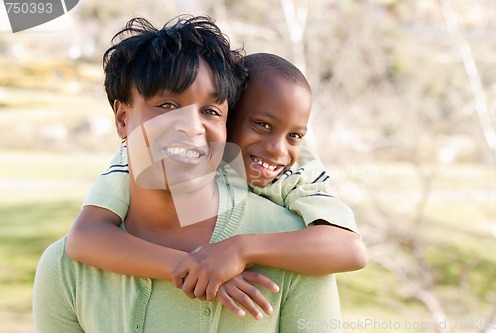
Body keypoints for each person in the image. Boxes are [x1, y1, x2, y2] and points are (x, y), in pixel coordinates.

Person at [33, 15, 365, 331]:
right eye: (167, 105)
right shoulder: (66, 269)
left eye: (210, 111)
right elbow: (84, 236)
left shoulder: (296, 247)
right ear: (122, 118)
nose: (191, 127)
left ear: (225, 123)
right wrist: (186, 268)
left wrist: (240, 249)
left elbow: (350, 247)